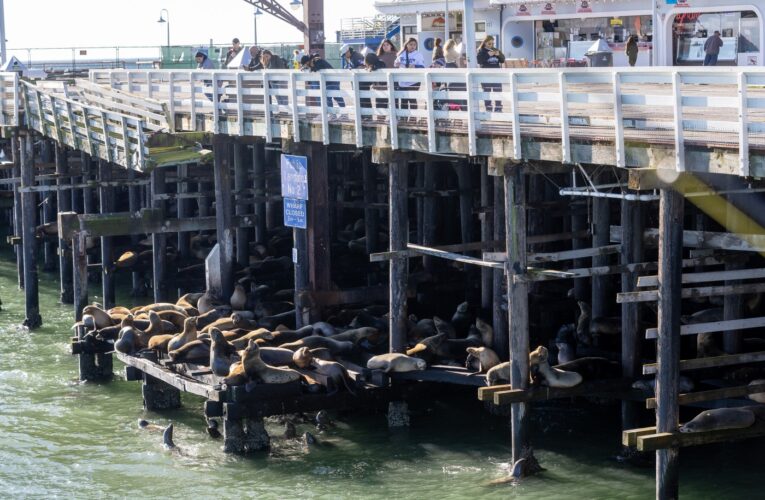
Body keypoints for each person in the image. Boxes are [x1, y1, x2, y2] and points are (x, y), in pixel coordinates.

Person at [395, 37, 425, 111]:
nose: (412, 46)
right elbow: (395, 64)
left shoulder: (418, 54)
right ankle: (403, 118)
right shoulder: (401, 54)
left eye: (414, 45)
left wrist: (415, 66)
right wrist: (397, 64)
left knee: (412, 100)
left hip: (414, 81)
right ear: (407, 45)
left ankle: (413, 119)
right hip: (402, 80)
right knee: (403, 100)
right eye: (411, 44)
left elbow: (422, 66)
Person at [476, 35, 505, 112]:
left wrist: (499, 55)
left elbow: (502, 60)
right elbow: (479, 61)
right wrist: (488, 54)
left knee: (498, 91)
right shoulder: (481, 51)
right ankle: (488, 108)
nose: (491, 45)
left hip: (496, 75)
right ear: (485, 43)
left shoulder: (495, 50)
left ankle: (498, 108)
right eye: (489, 43)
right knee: (487, 92)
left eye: (492, 43)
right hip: (485, 76)